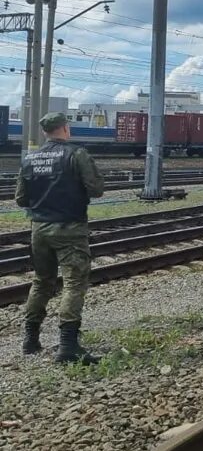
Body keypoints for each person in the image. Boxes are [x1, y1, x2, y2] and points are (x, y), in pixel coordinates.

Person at [15, 112, 105, 364]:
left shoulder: (30, 158)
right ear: (65, 129)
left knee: (41, 281)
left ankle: (30, 340)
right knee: (74, 282)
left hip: (39, 229)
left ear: (45, 132)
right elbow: (96, 190)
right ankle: (68, 346)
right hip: (69, 228)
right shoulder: (76, 154)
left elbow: (21, 199)